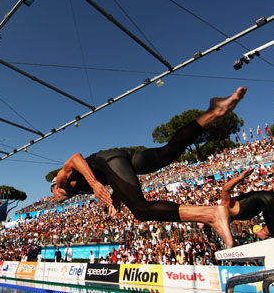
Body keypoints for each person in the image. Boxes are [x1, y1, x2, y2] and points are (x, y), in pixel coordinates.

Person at [51, 87, 249, 248]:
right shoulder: (77, 191)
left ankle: (211, 214)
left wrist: (94, 184)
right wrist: (118, 195)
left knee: (141, 210)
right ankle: (214, 112)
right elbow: (108, 175)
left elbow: (75, 157)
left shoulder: (62, 183)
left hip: (110, 160)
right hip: (123, 157)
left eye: (54, 195)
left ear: (54, 187)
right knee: (169, 151)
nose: (56, 198)